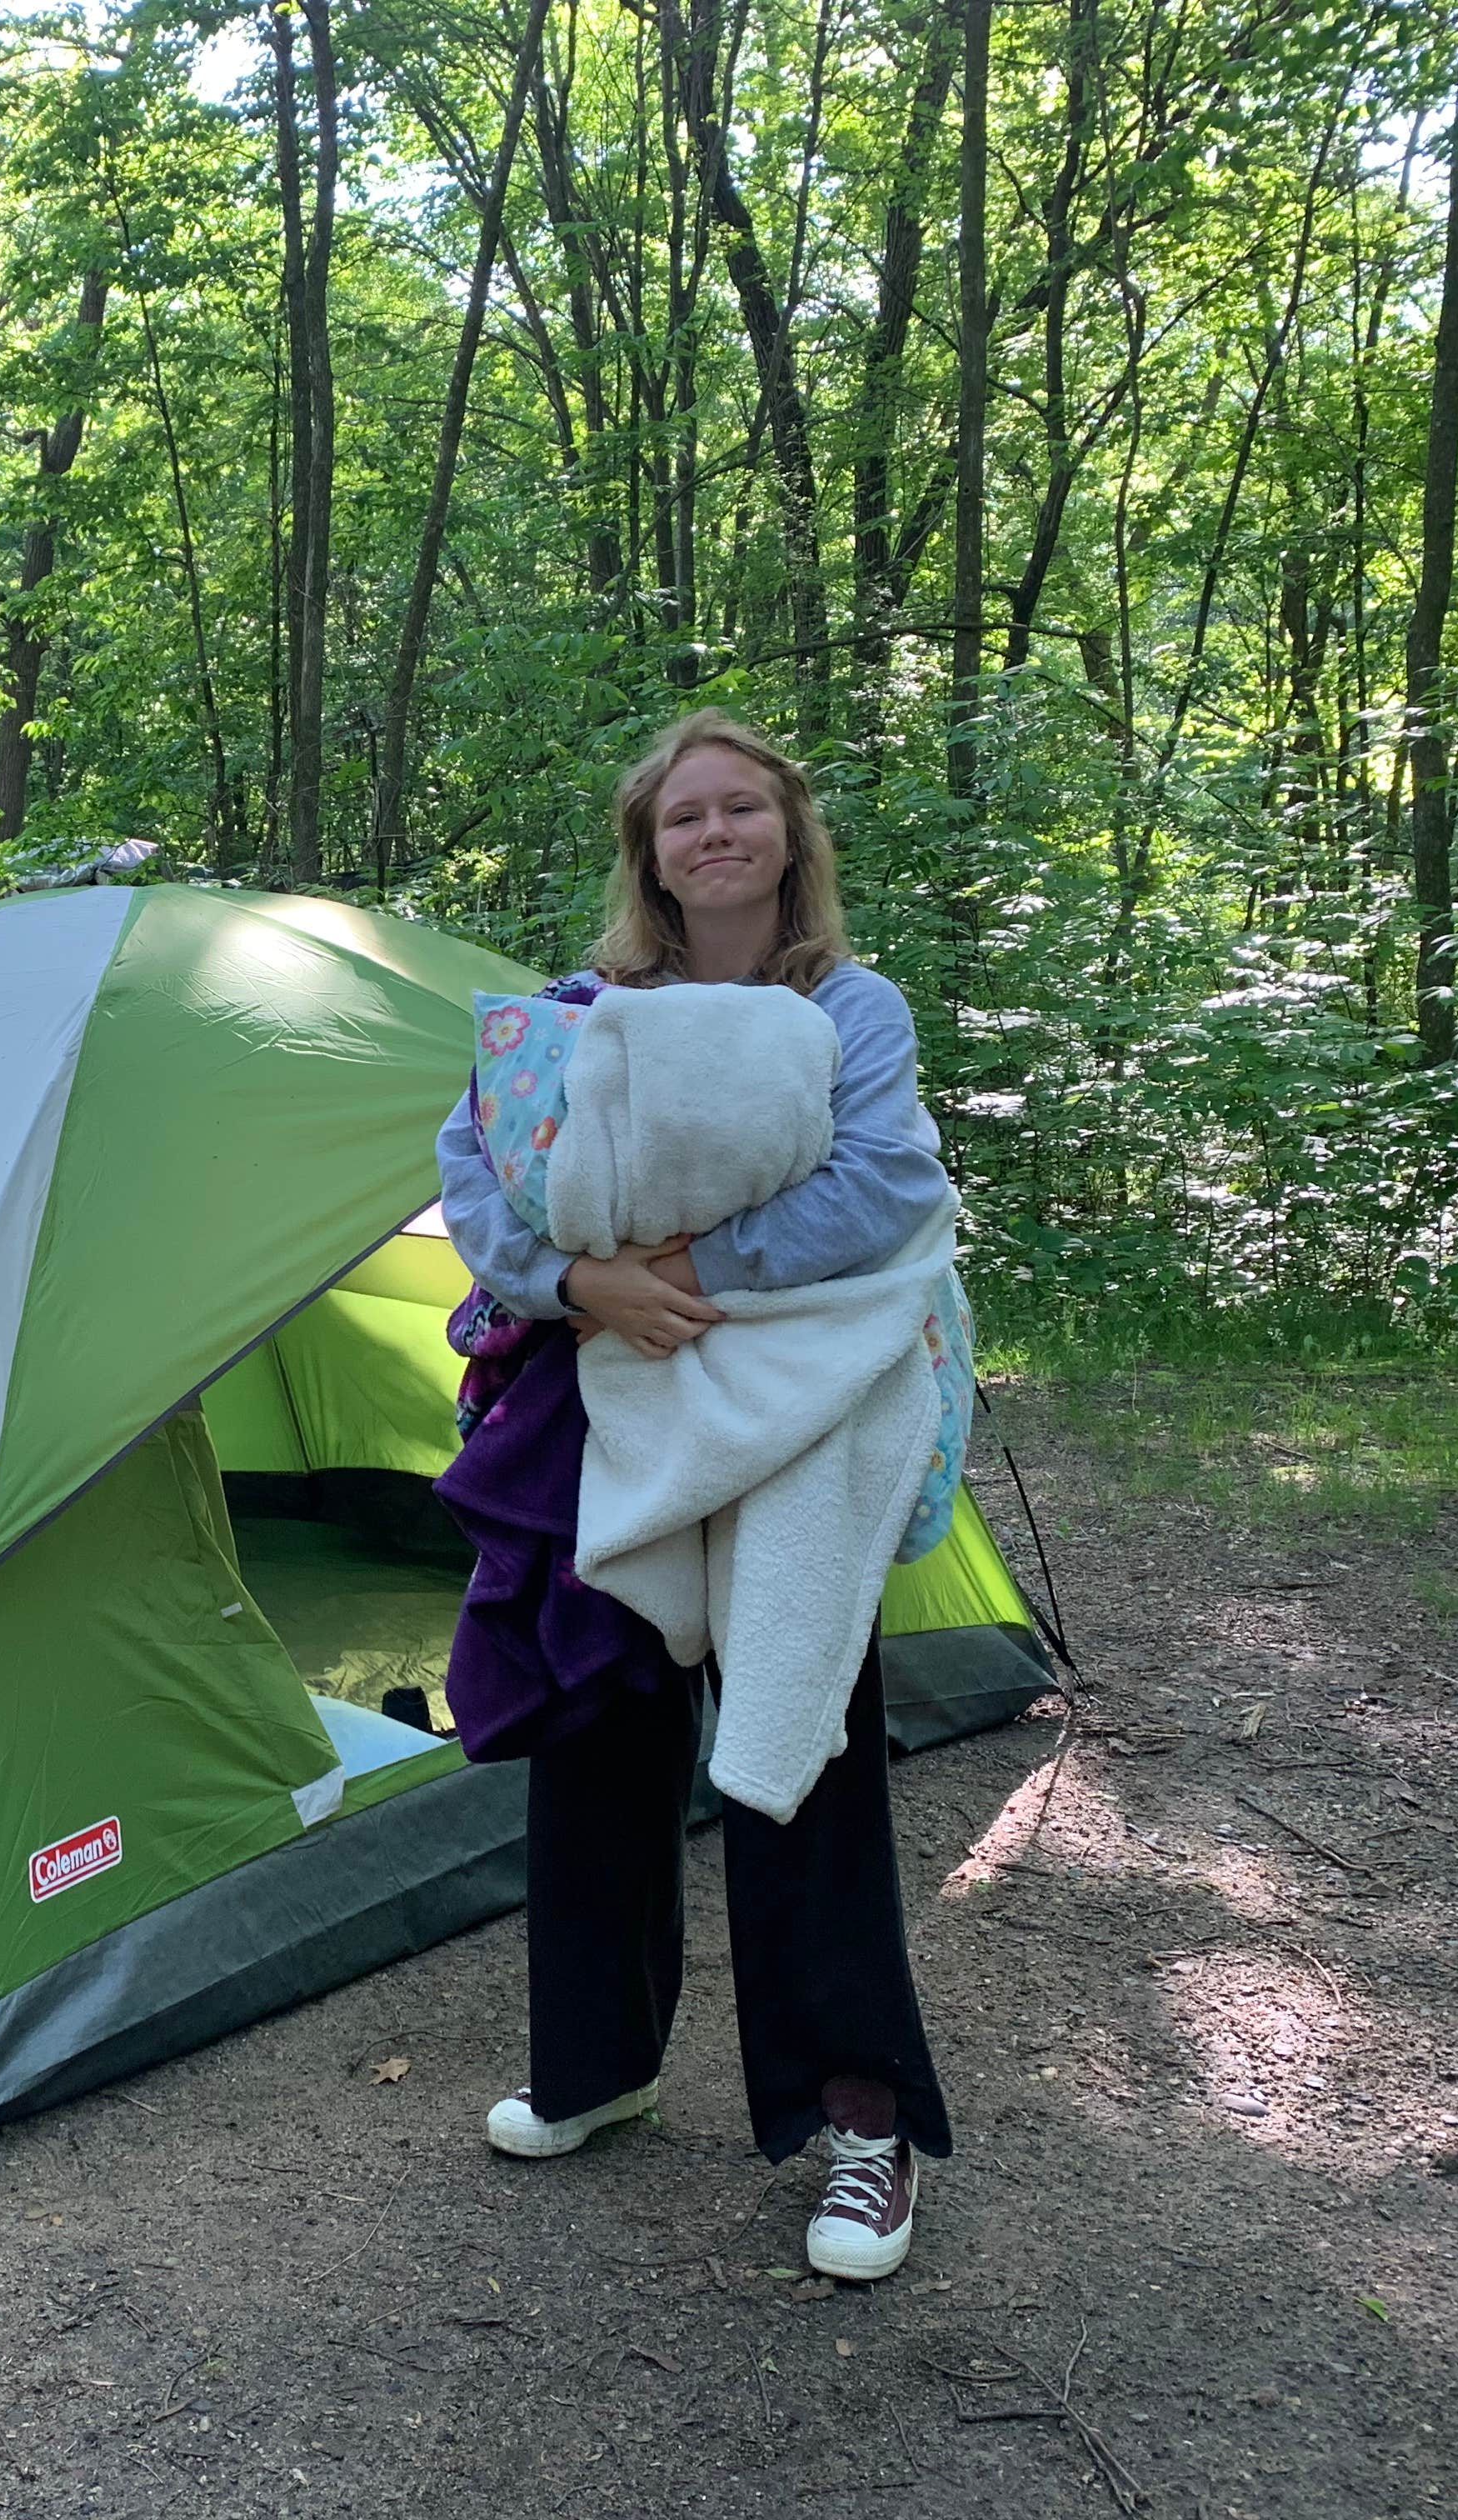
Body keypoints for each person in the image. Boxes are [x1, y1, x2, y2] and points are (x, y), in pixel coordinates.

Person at [432, 708, 952, 2284]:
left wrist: (688, 1276)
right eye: (683, 819)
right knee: (598, 1730)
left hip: (798, 1410)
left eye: (742, 810)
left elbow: (884, 1190)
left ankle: (862, 2125)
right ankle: (600, 2065)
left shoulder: (853, 1010)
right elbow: (475, 1165)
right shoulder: (588, 1013)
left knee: (800, 1739)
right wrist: (577, 1279)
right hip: (619, 1399)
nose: (714, 834)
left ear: (790, 837)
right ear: (650, 856)